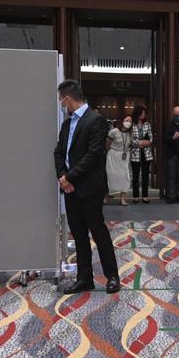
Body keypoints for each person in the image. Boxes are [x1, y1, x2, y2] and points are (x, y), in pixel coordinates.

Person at [55, 80, 121, 294]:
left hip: (90, 188)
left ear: (68, 98)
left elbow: (93, 155)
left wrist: (70, 177)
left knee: (98, 232)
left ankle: (112, 276)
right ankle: (85, 278)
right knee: (79, 234)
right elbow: (59, 152)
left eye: (61, 100)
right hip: (70, 188)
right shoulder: (67, 124)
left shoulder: (96, 120)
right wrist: (62, 178)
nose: (61, 104)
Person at [164, 105, 179, 204]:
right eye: (176, 114)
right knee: (171, 176)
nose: (178, 116)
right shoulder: (168, 125)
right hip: (171, 154)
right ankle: (171, 196)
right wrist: (172, 138)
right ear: (173, 114)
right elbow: (164, 139)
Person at [128, 104, 154, 204]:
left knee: (145, 175)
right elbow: (130, 139)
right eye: (142, 113)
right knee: (135, 176)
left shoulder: (147, 124)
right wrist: (139, 143)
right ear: (138, 114)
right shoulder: (132, 125)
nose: (144, 115)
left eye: (144, 113)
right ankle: (135, 196)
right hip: (135, 154)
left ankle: (145, 196)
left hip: (146, 154)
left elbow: (150, 138)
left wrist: (146, 142)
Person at [106, 112, 132, 205]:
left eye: (130, 121)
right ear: (122, 121)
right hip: (113, 156)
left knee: (125, 176)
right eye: (127, 120)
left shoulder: (130, 133)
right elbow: (107, 144)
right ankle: (106, 197)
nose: (128, 122)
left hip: (124, 156)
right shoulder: (114, 131)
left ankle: (123, 198)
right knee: (110, 176)